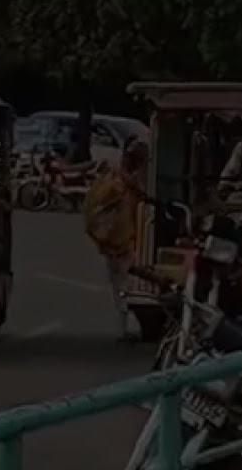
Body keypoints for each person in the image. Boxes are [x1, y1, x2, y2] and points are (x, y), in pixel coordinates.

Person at [83, 136, 150, 341]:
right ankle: (127, 325)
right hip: (119, 241)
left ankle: (131, 324)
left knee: (127, 283)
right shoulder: (115, 178)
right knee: (122, 284)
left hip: (134, 239)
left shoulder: (140, 178)